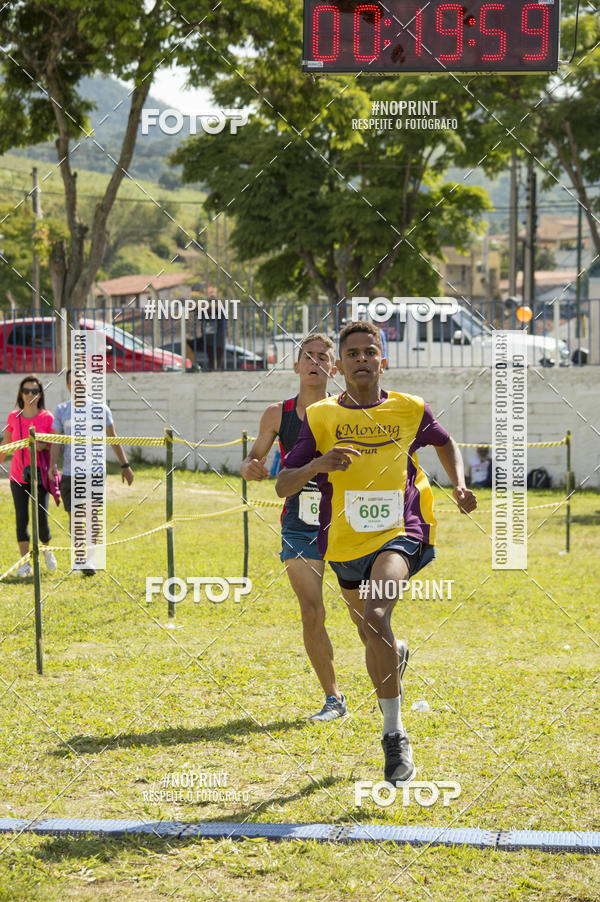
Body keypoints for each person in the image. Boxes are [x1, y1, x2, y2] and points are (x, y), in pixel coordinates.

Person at [276, 321, 477, 784]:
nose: (363, 359)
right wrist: (320, 463)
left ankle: (394, 735)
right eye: (354, 353)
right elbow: (283, 484)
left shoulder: (410, 409)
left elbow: (446, 445)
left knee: (378, 615)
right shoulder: (321, 416)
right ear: (340, 365)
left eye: (371, 352)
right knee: (369, 630)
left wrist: (460, 484)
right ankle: (395, 653)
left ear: (382, 361)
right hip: (344, 540)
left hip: (399, 530)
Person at [241, 333, 348, 722]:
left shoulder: (347, 409)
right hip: (299, 522)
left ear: (334, 368)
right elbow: (255, 459)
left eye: (323, 357)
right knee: (311, 609)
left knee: (365, 612)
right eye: (308, 356)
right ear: (296, 365)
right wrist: (250, 468)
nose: (315, 362)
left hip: (346, 520)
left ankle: (391, 652)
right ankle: (333, 699)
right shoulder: (277, 414)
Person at [50, 369, 134, 576]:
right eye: (73, 382)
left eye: (81, 381)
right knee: (75, 517)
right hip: (70, 472)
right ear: (68, 386)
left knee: (91, 514)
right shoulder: (61, 410)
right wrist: (53, 464)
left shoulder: (100, 409)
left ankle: (89, 560)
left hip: (94, 471)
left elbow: (113, 438)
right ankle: (79, 558)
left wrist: (125, 465)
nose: (77, 385)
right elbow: (56, 441)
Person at [0, 375, 57, 578]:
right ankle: (25, 563)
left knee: (41, 519)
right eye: (26, 391)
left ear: (40, 394)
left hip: (39, 476)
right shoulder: (13, 417)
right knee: (21, 519)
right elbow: (5, 445)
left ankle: (47, 549)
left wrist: (44, 445)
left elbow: (55, 446)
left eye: (34, 391)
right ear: (21, 394)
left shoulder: (47, 417)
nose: (30, 395)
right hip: (17, 477)